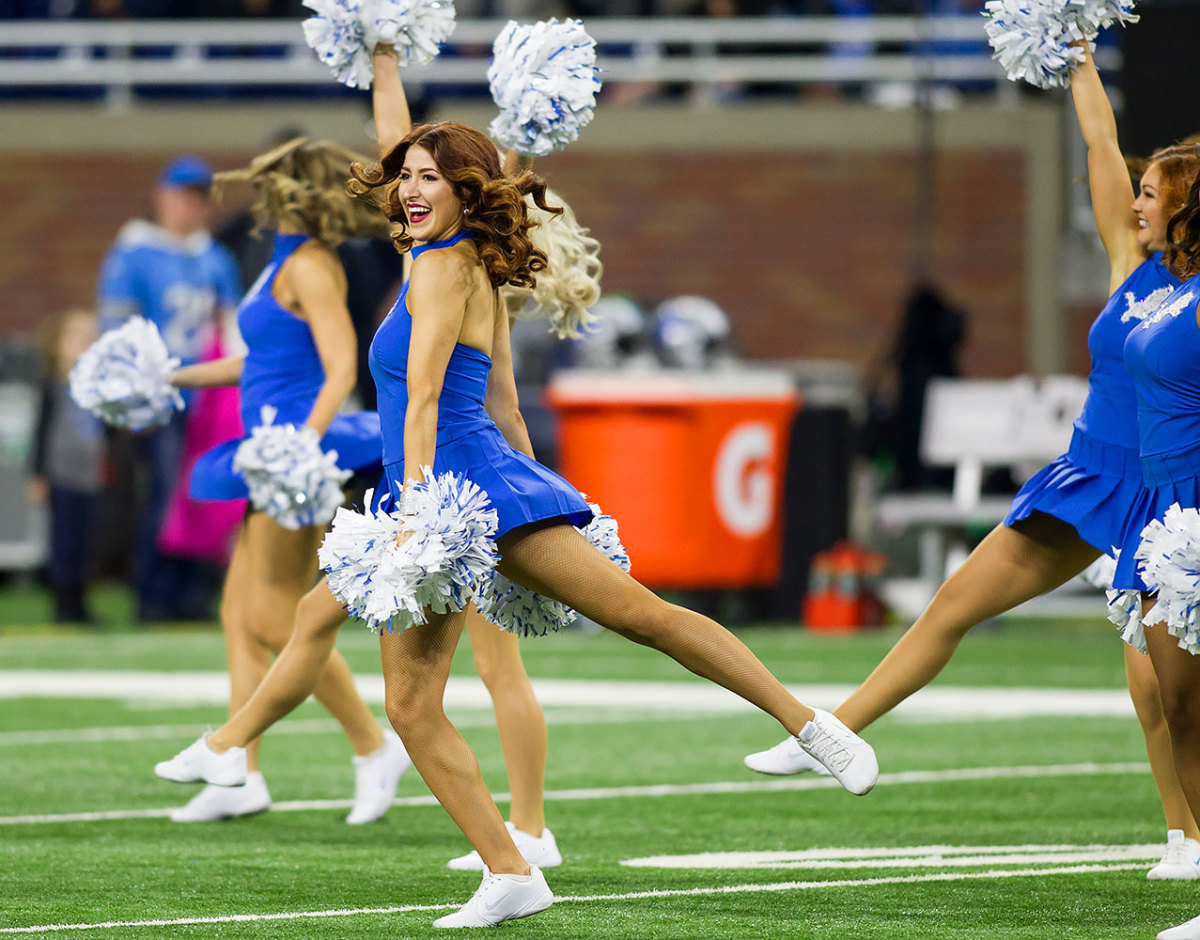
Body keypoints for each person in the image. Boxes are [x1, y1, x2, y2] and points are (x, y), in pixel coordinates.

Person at [157, 100, 878, 940]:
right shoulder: (445, 257)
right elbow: (504, 400)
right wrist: (386, 62)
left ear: (467, 191)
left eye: (432, 178)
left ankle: (812, 726)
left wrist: (420, 519)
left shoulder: (440, 268)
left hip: (458, 492)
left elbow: (427, 397)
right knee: (412, 705)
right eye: (408, 178)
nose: (412, 189)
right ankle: (509, 871)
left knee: (639, 615)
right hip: (452, 487)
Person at [743, 47, 1200, 881]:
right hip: (1091, 471)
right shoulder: (1132, 267)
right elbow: (1101, 148)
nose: (1134, 199)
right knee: (956, 599)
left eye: (1151, 192)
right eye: (1134, 192)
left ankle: (1186, 839)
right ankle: (833, 733)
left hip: (1167, 495)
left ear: (1186, 206)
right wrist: (1080, 63)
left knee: (1159, 690)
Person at [158, 138, 411, 824]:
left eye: (271, 184)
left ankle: (372, 744)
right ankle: (240, 776)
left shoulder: (311, 265)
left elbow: (338, 369)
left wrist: (300, 447)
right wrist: (169, 375)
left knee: (274, 615)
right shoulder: (278, 265)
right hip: (265, 443)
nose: (258, 195)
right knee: (238, 616)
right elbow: (257, 364)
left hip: (297, 452)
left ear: (294, 193)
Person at [97, 155, 242, 621]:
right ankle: (156, 595)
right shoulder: (135, 253)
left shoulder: (213, 257)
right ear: (162, 197)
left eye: (199, 198)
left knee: (205, 492)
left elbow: (230, 324)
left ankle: (191, 594)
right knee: (163, 495)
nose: (191, 207)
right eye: (183, 196)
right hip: (162, 398)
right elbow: (115, 328)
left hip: (210, 399)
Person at [1115, 173, 1200, 940]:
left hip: (1198, 498)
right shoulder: (1174, 286)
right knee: (1180, 703)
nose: (1136, 204)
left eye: (1152, 191)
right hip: (1163, 506)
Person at [29, 309, 105, 624]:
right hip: (62, 475)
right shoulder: (54, 384)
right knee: (63, 541)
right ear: (59, 344)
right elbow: (41, 430)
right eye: (78, 338)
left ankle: (79, 603)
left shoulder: (101, 386)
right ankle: (63, 605)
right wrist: (37, 474)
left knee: (85, 542)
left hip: (89, 475)